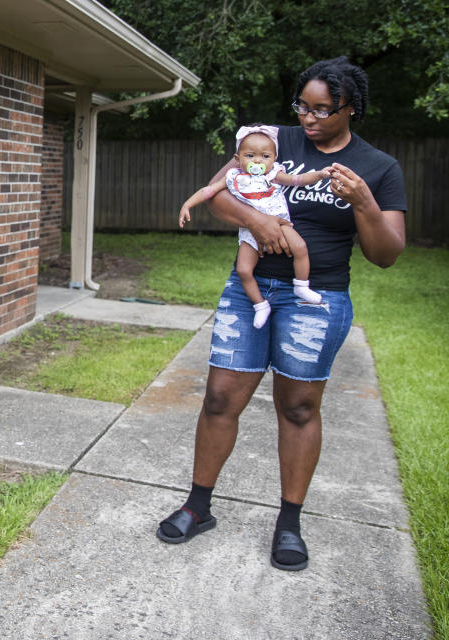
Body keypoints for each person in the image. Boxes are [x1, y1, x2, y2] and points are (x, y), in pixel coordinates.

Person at [156, 57, 407, 571]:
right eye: (303, 106)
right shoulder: (272, 139)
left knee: (297, 408)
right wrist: (259, 223)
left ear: (350, 109)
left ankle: (288, 522)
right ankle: (198, 507)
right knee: (221, 396)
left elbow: (386, 253)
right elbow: (221, 194)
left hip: (318, 297)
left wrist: (363, 203)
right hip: (247, 289)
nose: (308, 118)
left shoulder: (379, 168)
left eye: (322, 109)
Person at [179, 125, 332, 328]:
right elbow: (209, 191)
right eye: (250, 155)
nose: (258, 160)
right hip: (249, 231)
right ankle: (260, 305)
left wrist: (320, 175)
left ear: (274, 159)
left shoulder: (274, 175)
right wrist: (187, 204)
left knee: (301, 248)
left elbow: (299, 180)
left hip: (279, 223)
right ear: (237, 158)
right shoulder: (233, 177)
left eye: (265, 156)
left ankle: (301, 286)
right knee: (243, 270)